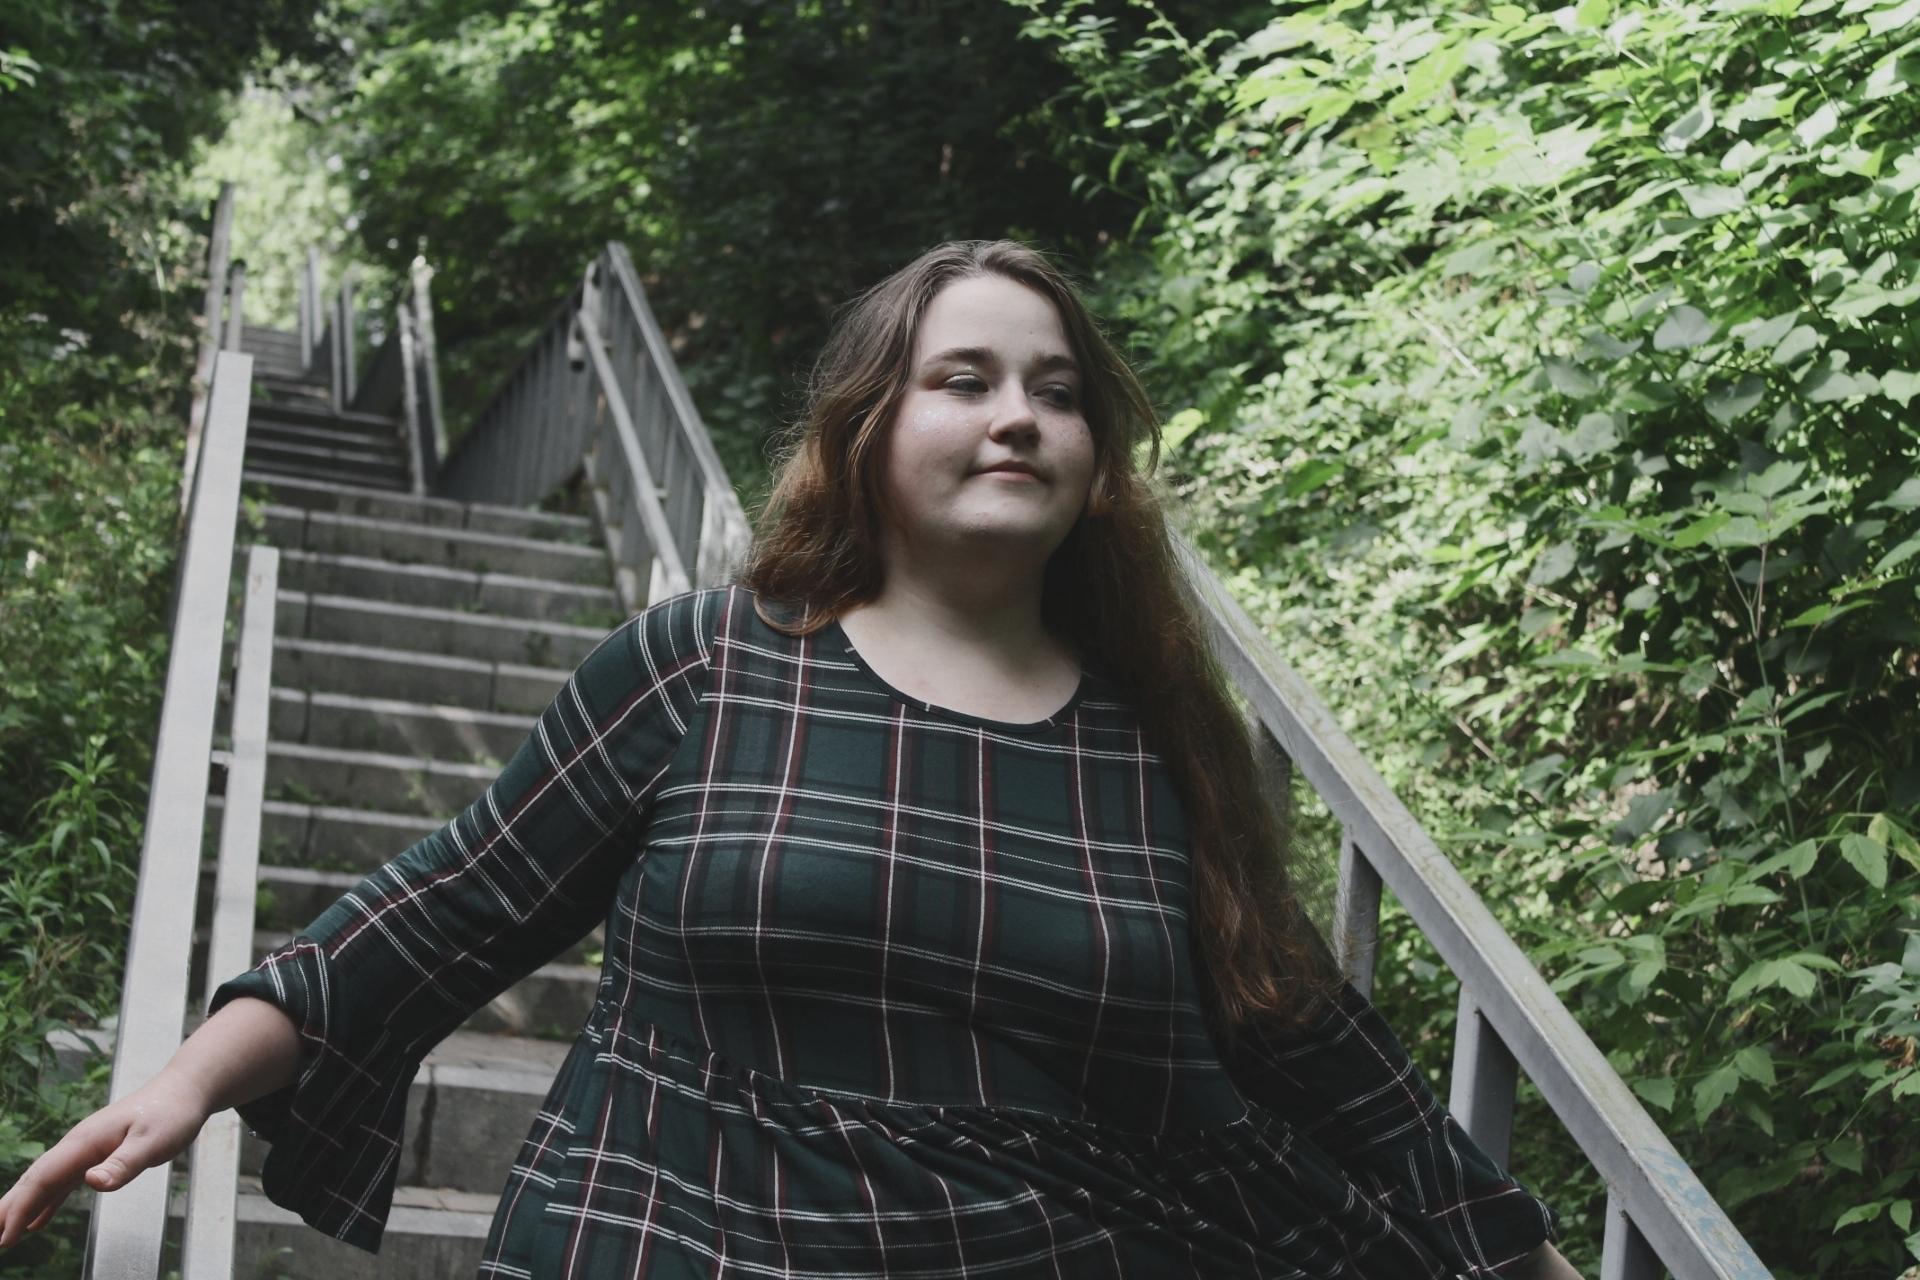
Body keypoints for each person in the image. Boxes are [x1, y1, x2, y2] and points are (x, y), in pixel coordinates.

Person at [0, 240, 1578, 1277]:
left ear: (1098, 463)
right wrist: (190, 1080)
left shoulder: (1155, 749)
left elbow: (1320, 1053)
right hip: (665, 1238)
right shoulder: (704, 667)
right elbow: (446, 908)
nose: (1018, 417)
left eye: (1058, 393)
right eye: (965, 380)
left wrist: (1514, 1250)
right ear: (869, 427)